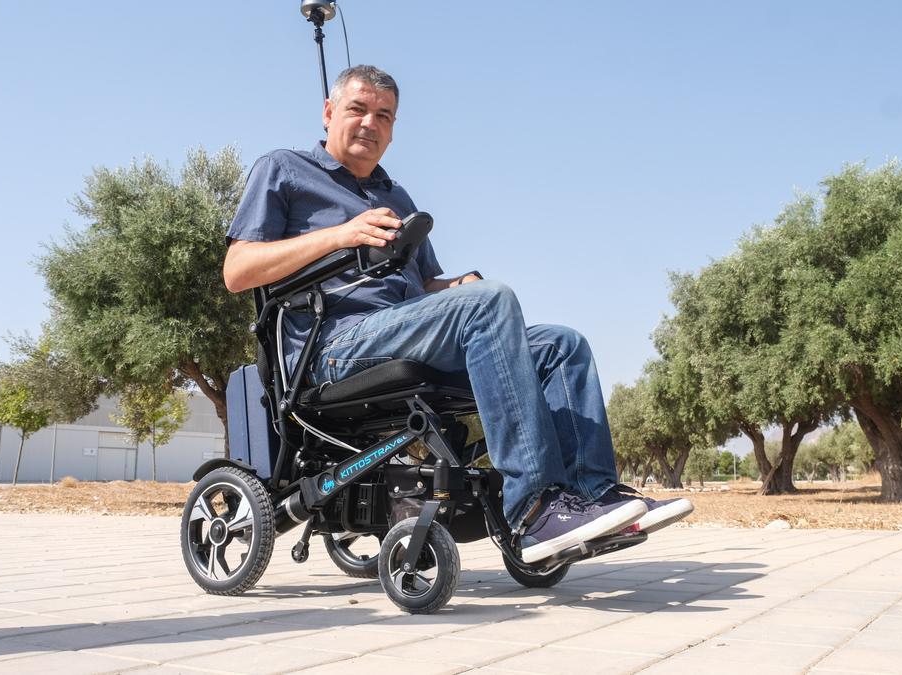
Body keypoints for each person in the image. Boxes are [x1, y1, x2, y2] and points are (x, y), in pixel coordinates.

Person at [223, 65, 691, 563]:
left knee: (562, 344)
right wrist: (341, 234)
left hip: (401, 332)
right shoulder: (284, 169)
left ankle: (591, 497)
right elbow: (237, 270)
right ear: (328, 112)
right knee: (491, 301)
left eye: (384, 115)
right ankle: (534, 511)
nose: (369, 123)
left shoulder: (396, 196)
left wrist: (453, 285)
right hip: (334, 348)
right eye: (357, 109)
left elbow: (426, 286)